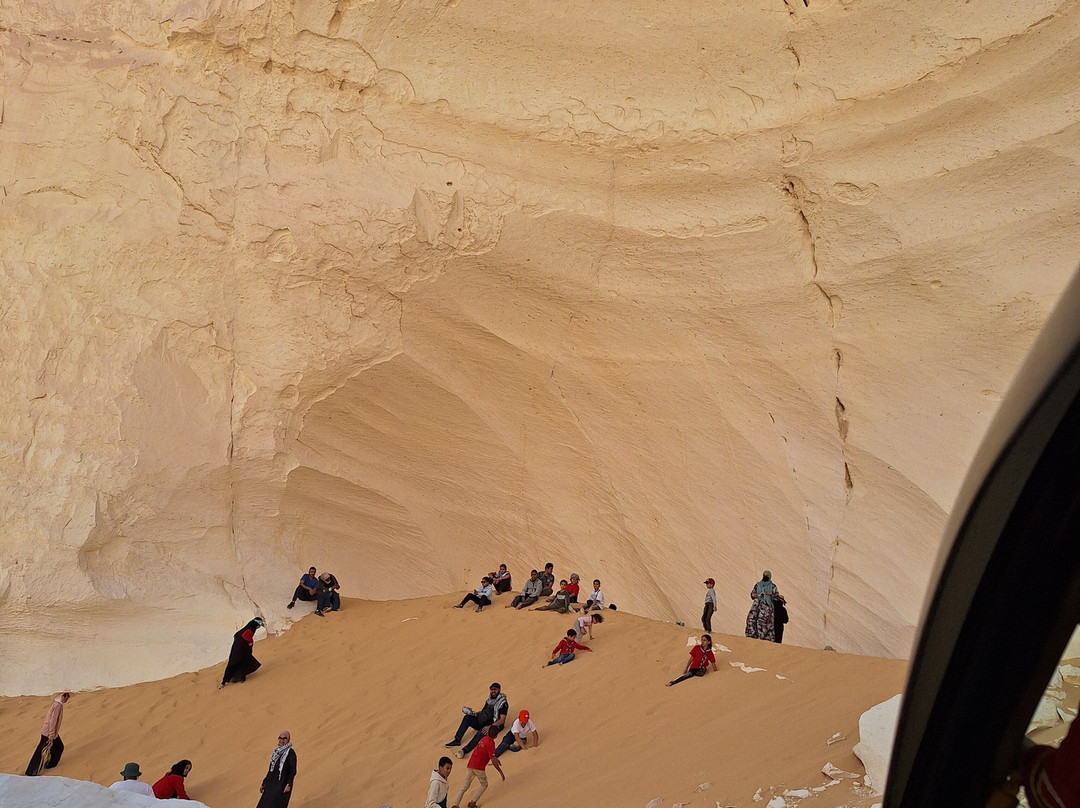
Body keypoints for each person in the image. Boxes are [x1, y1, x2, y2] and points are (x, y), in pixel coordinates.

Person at [451, 726, 505, 808]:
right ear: (496, 735)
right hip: (479, 767)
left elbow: (489, 754)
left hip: (470, 764)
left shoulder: (484, 739)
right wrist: (500, 772)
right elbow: (493, 760)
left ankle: (455, 804)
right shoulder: (491, 743)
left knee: (464, 786)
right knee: (484, 784)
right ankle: (472, 803)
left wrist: (495, 758)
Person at [445, 683, 509, 749]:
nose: (493, 691)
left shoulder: (503, 703)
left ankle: (465, 749)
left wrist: (490, 727)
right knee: (467, 718)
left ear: (499, 690)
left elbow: (502, 720)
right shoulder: (489, 700)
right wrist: (473, 714)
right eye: (491, 689)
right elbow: (483, 712)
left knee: (482, 731)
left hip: (495, 726)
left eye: (495, 689)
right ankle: (457, 740)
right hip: (483, 721)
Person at [25, 692, 70, 776]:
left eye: (68, 696)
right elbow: (52, 721)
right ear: (60, 696)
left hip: (51, 732)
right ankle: (31, 772)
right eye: (65, 695)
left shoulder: (58, 704)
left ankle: (49, 765)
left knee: (58, 747)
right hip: (48, 733)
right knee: (41, 751)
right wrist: (51, 736)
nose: (67, 698)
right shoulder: (57, 706)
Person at [219, 617, 265, 689]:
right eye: (258, 625)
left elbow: (236, 635)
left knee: (234, 661)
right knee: (242, 661)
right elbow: (245, 635)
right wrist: (250, 642)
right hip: (241, 649)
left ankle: (225, 681)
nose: (258, 627)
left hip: (238, 647)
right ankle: (232, 680)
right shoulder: (250, 629)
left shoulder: (248, 627)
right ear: (256, 624)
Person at [256, 731, 297, 808]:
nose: (282, 740)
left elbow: (293, 770)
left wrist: (289, 784)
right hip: (271, 784)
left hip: (281, 785)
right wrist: (264, 783)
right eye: (280, 738)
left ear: (288, 739)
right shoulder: (276, 752)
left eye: (284, 738)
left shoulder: (290, 753)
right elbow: (271, 770)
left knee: (276, 805)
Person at [745, 570, 780, 641]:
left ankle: (764, 639)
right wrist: (754, 595)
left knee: (764, 623)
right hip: (756, 605)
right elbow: (752, 593)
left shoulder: (773, 586)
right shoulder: (758, 585)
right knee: (751, 619)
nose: (765, 576)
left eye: (766, 575)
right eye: (764, 575)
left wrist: (771, 594)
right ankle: (752, 636)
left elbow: (776, 596)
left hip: (766, 607)